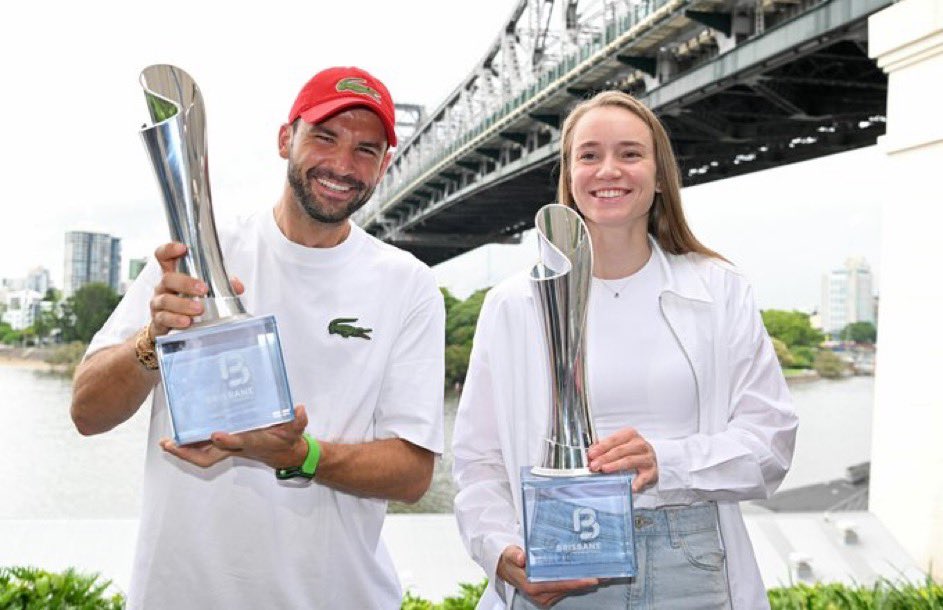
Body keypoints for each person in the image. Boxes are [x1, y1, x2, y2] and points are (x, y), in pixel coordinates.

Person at [70, 66, 445, 609]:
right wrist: (154, 339)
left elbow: (413, 474)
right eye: (324, 137)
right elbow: (87, 413)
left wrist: (298, 455)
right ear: (284, 138)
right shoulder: (200, 250)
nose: (342, 165)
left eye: (366, 150)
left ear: (386, 164)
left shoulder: (409, 283)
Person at [452, 91, 798, 609]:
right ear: (569, 176)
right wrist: (500, 549)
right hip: (560, 558)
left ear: (660, 176)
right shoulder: (511, 304)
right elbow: (478, 462)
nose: (608, 169)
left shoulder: (721, 290)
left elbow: (771, 445)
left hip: (690, 561)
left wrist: (667, 460)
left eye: (630, 153)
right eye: (589, 155)